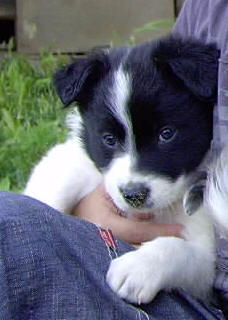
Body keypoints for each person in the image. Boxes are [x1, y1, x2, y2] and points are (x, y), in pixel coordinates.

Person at [0, 0, 228, 318]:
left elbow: (202, 267)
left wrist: (163, 257)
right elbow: (54, 179)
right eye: (110, 140)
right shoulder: (209, 9)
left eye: (165, 135)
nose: (133, 176)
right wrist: (48, 227)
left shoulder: (201, 186)